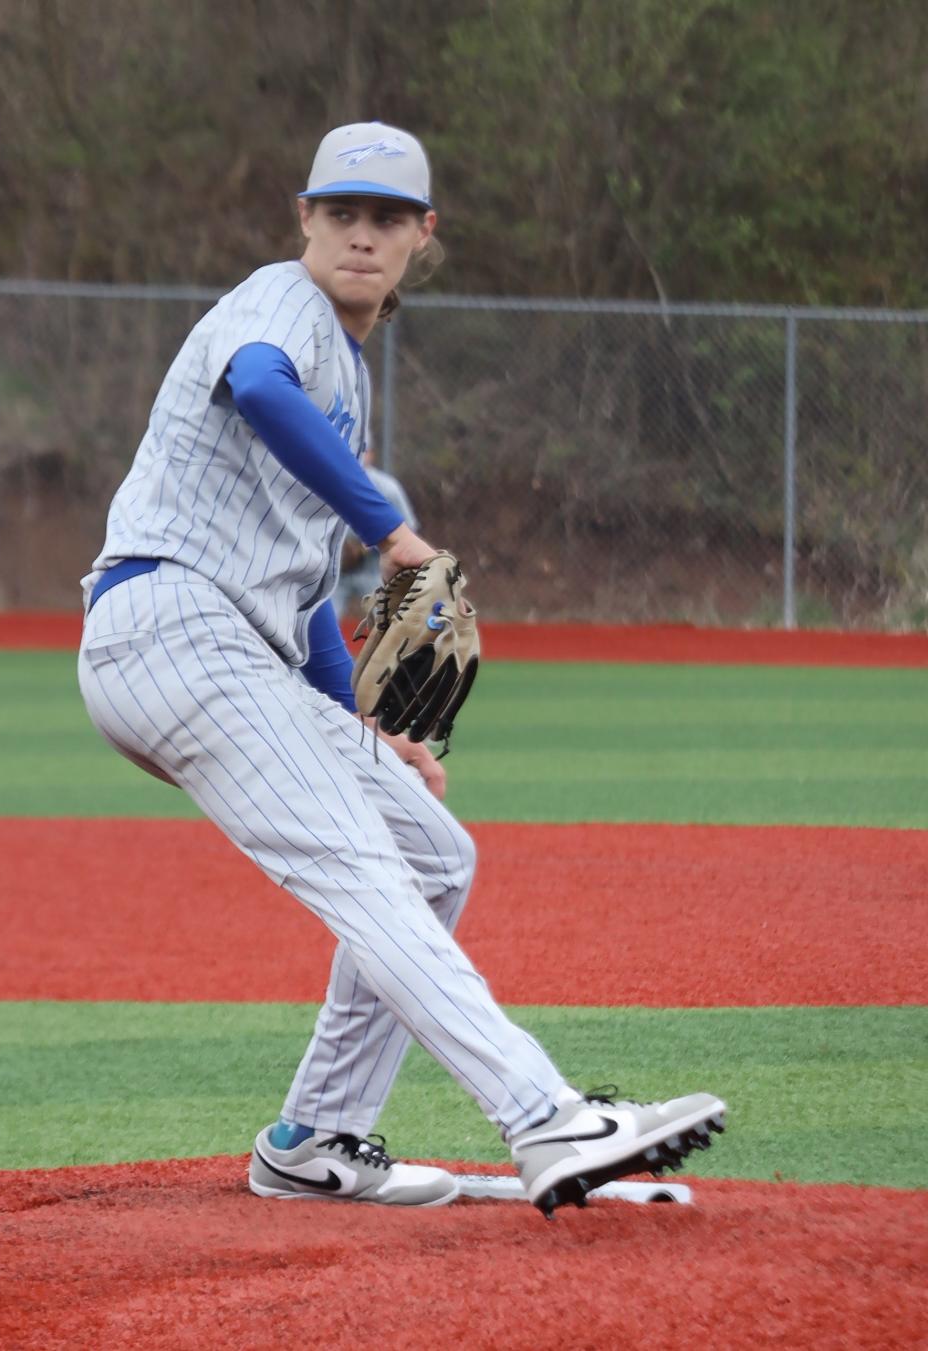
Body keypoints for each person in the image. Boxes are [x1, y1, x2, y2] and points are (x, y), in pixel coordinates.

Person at [77, 121, 725, 1216]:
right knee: (361, 869)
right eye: (340, 215)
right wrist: (389, 522)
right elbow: (263, 390)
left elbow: (304, 594)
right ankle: (545, 1115)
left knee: (430, 853)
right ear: (305, 221)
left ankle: (315, 1138)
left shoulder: (353, 378)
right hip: (171, 622)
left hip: (232, 648)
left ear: (425, 235)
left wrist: (365, 724)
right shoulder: (280, 304)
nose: (360, 237)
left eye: (385, 219)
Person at [332, 447, 418, 621]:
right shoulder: (329, 479)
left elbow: (408, 530)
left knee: (388, 622)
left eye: (363, 450)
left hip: (375, 569)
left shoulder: (387, 487)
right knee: (318, 623)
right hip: (336, 572)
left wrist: (365, 548)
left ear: (371, 454)